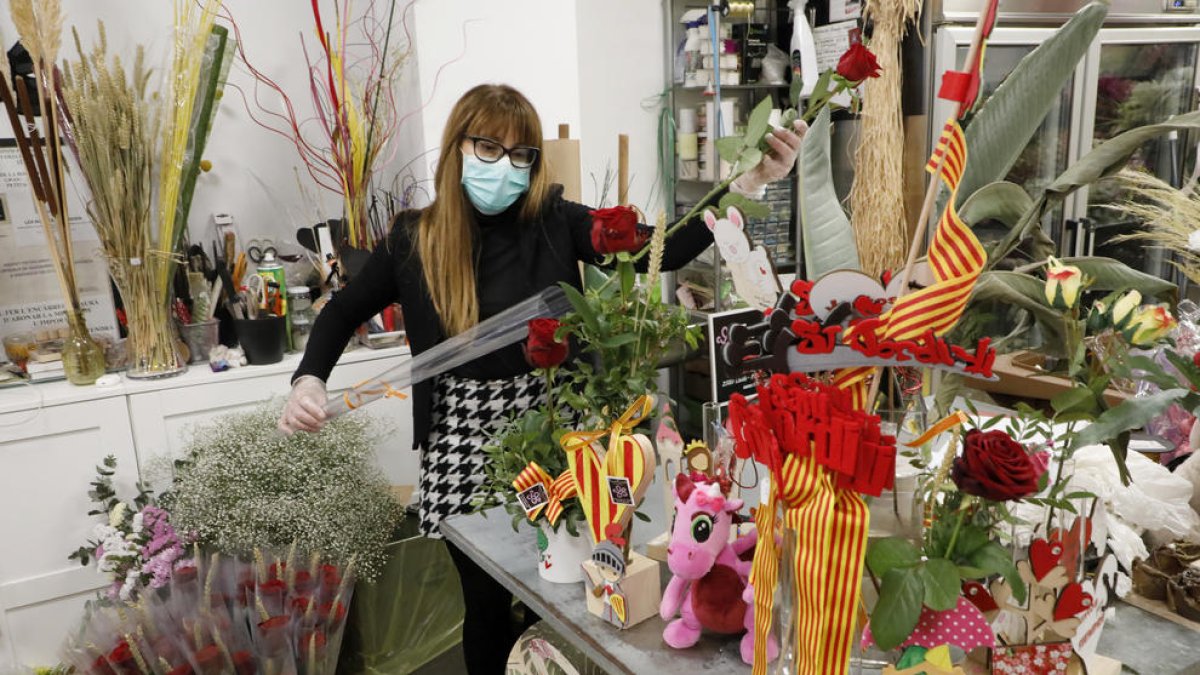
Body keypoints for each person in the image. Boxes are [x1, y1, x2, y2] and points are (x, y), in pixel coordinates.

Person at [278, 83, 804, 673]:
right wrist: (308, 381)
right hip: (462, 437)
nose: (505, 166)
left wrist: (749, 181)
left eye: (521, 154)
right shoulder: (414, 238)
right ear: (457, 148)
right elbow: (342, 311)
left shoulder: (555, 221)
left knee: (554, 595)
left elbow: (661, 249)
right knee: (483, 599)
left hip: (557, 429)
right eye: (489, 148)